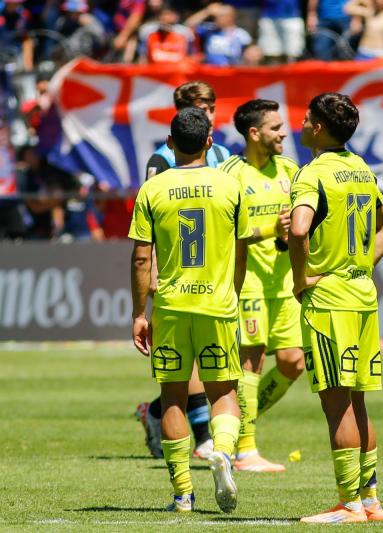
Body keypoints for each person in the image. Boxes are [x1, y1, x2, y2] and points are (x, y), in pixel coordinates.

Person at [129, 107, 249, 512]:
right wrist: (232, 292)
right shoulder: (230, 185)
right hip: (218, 304)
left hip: (171, 307)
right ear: (209, 143)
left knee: (173, 398)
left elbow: (141, 258)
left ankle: (182, 494)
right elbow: (242, 249)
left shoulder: (153, 189)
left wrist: (139, 313)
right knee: (224, 393)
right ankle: (223, 451)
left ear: (169, 143)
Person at [289, 93, 383, 523]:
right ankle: (370, 501)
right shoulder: (362, 169)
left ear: (317, 128)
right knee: (358, 401)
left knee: (337, 405)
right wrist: (363, 264)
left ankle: (348, 504)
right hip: (362, 295)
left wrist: (300, 279)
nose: (300, 123)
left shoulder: (312, 172)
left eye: (305, 118)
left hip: (329, 302)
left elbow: (299, 230)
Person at [135, 81, 231, 460]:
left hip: (216, 274)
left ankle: (157, 413)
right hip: (177, 274)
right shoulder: (162, 160)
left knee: (201, 367)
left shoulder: (223, 154)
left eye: (211, 106)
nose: (207, 113)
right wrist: (154, 274)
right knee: (191, 368)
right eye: (200, 107)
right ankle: (207, 438)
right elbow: (153, 225)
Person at [218, 99, 304, 473]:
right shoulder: (229, 174)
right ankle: (246, 450)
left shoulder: (291, 170)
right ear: (254, 133)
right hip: (248, 282)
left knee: (293, 362)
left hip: (285, 283)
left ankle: (239, 419)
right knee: (250, 363)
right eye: (276, 127)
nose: (284, 133)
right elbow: (222, 230)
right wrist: (271, 229)